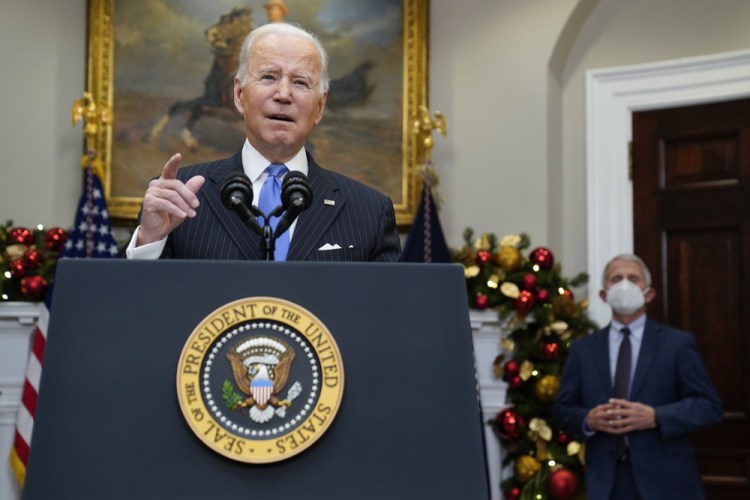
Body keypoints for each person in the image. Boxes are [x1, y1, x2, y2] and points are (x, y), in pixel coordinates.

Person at [125, 22, 401, 262]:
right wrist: (150, 240)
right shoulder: (180, 199)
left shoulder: (369, 211)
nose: (283, 94)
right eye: (269, 77)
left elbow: (389, 314)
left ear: (320, 107)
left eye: (301, 83)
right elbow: (136, 309)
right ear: (238, 94)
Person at [553, 253, 722, 499]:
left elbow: (709, 407)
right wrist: (588, 420)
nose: (624, 285)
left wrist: (656, 416)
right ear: (603, 294)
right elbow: (562, 411)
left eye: (633, 279)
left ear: (649, 294)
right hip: (606, 483)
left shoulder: (677, 343)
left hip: (667, 481)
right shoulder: (583, 349)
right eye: (616, 279)